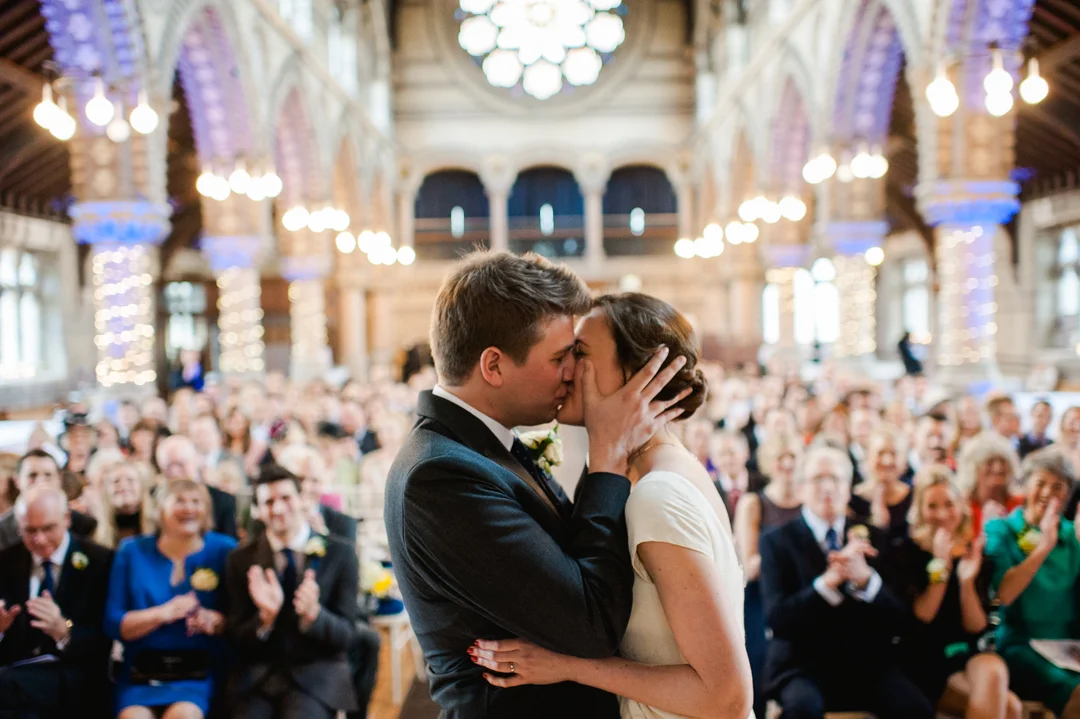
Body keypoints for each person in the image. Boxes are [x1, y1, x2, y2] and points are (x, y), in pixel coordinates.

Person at [385, 253, 692, 719]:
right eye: (559, 357)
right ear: (493, 365)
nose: (572, 372)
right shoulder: (440, 476)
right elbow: (589, 624)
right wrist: (607, 457)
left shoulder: (481, 444)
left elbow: (572, 553)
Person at [470, 292, 753, 719]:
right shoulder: (652, 470)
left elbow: (727, 697)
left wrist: (567, 665)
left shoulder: (658, 495)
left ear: (637, 376)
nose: (566, 370)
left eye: (580, 353)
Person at [759, 444, 933, 719]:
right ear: (802, 487)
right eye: (818, 479)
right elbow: (778, 619)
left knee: (916, 709)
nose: (828, 487)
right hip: (801, 664)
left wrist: (867, 581)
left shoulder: (875, 537)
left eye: (836, 479)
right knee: (803, 710)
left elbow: (899, 618)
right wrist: (827, 583)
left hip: (865, 663)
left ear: (849, 487)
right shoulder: (776, 541)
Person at [226, 467, 360, 719]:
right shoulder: (240, 560)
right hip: (257, 678)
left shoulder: (340, 553)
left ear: (302, 499)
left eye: (286, 498)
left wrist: (315, 615)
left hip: (316, 676)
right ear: (258, 510)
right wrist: (264, 619)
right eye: (268, 502)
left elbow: (348, 636)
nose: (278, 509)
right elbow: (234, 637)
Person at [890, 465, 1022, 719]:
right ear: (920, 511)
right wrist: (941, 567)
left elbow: (976, 627)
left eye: (949, 504)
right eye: (932, 506)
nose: (942, 514)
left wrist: (966, 582)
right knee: (1010, 708)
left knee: (992, 668)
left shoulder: (975, 553)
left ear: (960, 506)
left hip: (965, 655)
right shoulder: (904, 552)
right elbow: (920, 619)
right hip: (923, 659)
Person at [104, 478, 236, 719]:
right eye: (180, 501)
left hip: (199, 670)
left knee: (184, 714)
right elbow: (113, 623)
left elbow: (238, 618)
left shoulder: (225, 550)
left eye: (196, 501)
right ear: (160, 510)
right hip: (142, 671)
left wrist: (215, 621)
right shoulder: (131, 551)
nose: (189, 508)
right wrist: (164, 613)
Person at [0, 486, 114, 718]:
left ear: (67, 519)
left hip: (74, 674)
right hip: (18, 677)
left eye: (48, 528)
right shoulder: (6, 562)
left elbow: (107, 639)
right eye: (30, 530)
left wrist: (65, 630)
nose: (39, 539)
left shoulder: (100, 561)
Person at [984, 448, 1080, 717]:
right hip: (1021, 643)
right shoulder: (1001, 529)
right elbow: (1004, 594)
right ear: (1025, 485)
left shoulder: (1073, 536)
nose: (1048, 493)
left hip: (1070, 645)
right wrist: (1044, 546)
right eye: (1041, 483)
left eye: (1058, 487)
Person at [734, 433, 803, 719]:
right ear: (768, 463)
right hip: (762, 595)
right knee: (758, 662)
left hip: (802, 593)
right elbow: (750, 566)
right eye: (780, 459)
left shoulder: (809, 501)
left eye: (793, 458)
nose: (787, 465)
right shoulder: (754, 503)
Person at [0, 449, 98, 550]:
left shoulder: (85, 525)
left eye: (48, 475)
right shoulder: (3, 530)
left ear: (59, 478)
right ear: (17, 480)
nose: (41, 481)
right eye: (32, 475)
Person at [156, 435, 238, 538]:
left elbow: (229, 544)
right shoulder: (153, 497)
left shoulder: (222, 501)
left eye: (180, 464)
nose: (174, 472)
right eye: (168, 466)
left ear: (195, 461)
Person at [849, 427, 913, 539]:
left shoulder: (914, 497)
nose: (887, 461)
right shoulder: (851, 500)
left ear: (904, 460)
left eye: (894, 454)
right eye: (880, 453)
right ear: (868, 456)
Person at [955, 432, 1022, 535]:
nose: (998, 468)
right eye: (989, 462)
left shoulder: (1021, 504)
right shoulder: (962, 507)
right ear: (973, 467)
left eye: (1003, 461)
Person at [94, 459, 154, 548]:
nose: (123, 486)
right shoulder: (94, 532)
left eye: (130, 480)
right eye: (116, 481)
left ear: (142, 488)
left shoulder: (157, 527)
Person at [708, 430, 767, 519]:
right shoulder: (709, 490)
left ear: (746, 452)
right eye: (721, 454)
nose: (728, 460)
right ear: (713, 458)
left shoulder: (763, 483)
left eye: (732, 453)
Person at [904, 413, 953, 483]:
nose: (935, 443)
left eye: (941, 437)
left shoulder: (953, 474)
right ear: (915, 436)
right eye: (929, 435)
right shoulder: (900, 471)